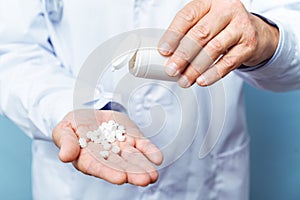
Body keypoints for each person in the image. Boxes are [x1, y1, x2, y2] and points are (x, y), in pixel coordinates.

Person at [0, 0, 300, 199]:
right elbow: (12, 49)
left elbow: (291, 30)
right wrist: (72, 107)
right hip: (83, 187)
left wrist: (266, 36)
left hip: (207, 180)